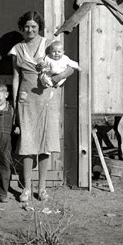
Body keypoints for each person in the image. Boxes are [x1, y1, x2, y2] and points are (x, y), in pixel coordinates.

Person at [9, 11, 75, 202]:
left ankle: (42, 188)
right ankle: (27, 189)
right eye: (27, 27)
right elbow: (16, 78)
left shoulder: (48, 45)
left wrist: (58, 77)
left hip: (47, 98)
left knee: (46, 144)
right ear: (22, 28)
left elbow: (69, 67)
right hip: (26, 99)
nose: (30, 30)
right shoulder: (17, 49)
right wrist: (15, 103)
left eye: (34, 27)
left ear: (39, 28)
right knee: (27, 143)